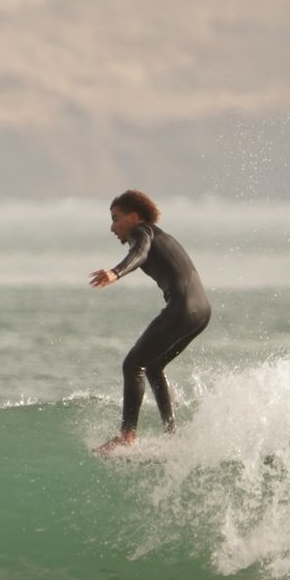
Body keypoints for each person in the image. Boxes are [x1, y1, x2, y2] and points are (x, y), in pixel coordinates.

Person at [89, 190, 211, 455]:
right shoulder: (160, 235)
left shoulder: (141, 231)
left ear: (134, 217)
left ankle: (126, 435)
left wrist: (115, 272)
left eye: (116, 218)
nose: (112, 227)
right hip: (201, 311)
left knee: (133, 364)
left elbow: (140, 251)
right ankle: (172, 434)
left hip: (182, 308)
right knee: (153, 366)